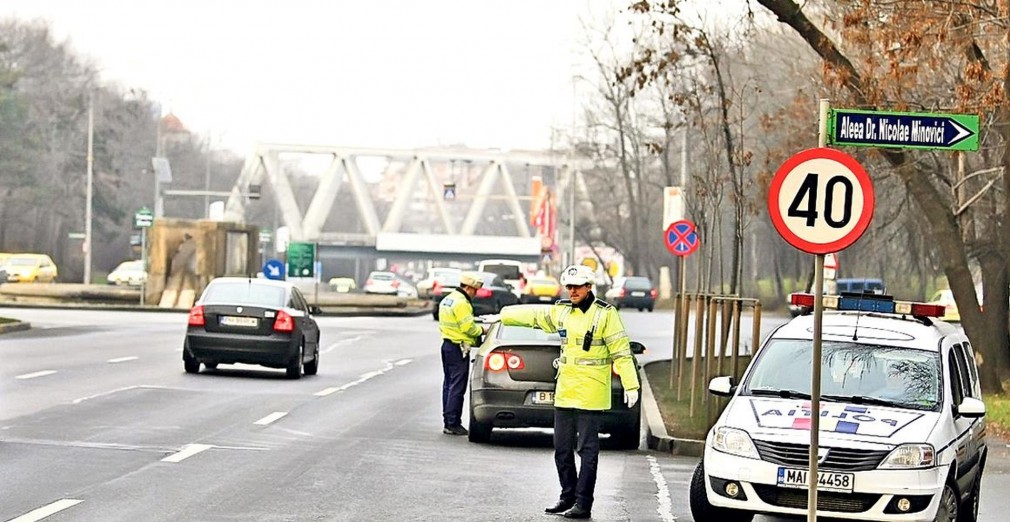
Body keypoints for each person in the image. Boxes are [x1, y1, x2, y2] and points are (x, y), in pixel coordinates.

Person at [500, 264, 640, 519]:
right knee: (561, 448)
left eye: (577, 287)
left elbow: (621, 351)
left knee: (587, 450)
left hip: (591, 392)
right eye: (570, 287)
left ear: (589, 287)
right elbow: (536, 316)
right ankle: (567, 497)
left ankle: (583, 503)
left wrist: (631, 385)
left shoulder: (605, 315)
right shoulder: (563, 312)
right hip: (566, 390)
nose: (572, 291)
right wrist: (503, 315)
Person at [437, 272, 487, 436]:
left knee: (448, 385)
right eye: (475, 290)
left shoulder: (449, 299)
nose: (476, 293)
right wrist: (483, 330)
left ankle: (448, 420)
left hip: (447, 345)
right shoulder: (462, 303)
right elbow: (468, 328)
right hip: (459, 348)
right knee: (458, 386)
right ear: (469, 288)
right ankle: (453, 423)